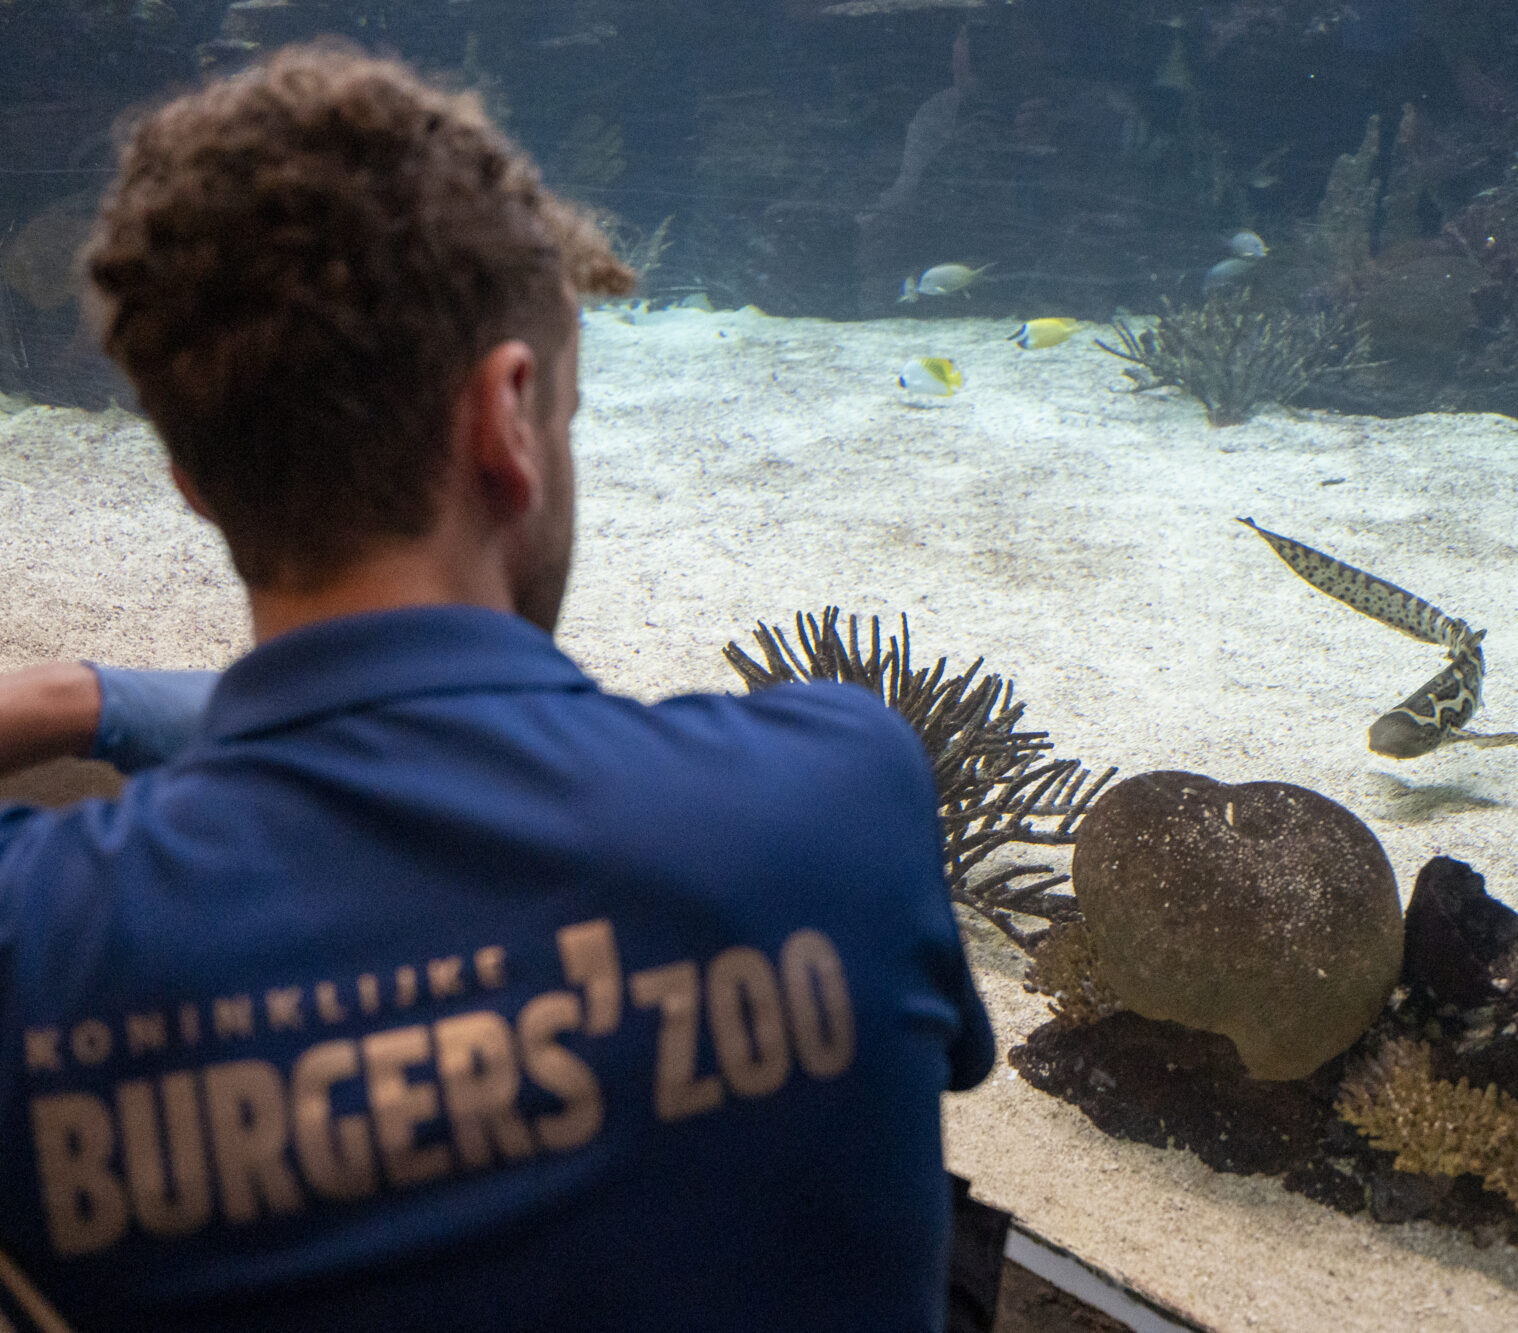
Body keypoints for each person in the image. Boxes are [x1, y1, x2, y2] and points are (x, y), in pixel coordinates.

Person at [0, 41, 993, 1332]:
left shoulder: (39, 949)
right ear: (507, 420)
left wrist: (81, 697)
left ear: (193, 479)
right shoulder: (840, 798)